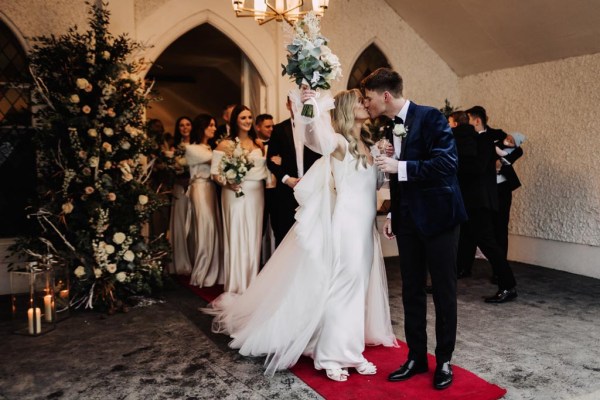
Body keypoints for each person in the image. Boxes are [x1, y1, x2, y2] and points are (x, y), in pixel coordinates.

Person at [203, 88, 397, 382]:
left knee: (356, 289)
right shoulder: (339, 142)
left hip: (364, 228)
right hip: (345, 226)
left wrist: (386, 162)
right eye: (360, 101)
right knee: (343, 288)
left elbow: (374, 182)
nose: (366, 105)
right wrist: (309, 105)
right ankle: (333, 354)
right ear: (346, 109)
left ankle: (350, 348)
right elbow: (312, 137)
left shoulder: (364, 144)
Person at [364, 67, 467, 390]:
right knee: (410, 291)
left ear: (385, 96)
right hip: (408, 221)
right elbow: (398, 180)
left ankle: (445, 359)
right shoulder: (388, 127)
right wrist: (395, 211)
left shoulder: (432, 118)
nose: (366, 105)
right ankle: (417, 357)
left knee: (444, 291)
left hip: (439, 220)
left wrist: (400, 166)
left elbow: (447, 164)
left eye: (368, 99)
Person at [211, 105, 267, 294]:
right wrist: (228, 184)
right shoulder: (225, 144)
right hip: (234, 193)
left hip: (256, 194)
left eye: (250, 117)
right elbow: (214, 174)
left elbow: (265, 170)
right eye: (243, 118)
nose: (248, 121)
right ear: (235, 120)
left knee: (253, 236)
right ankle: (236, 285)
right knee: (236, 236)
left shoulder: (258, 144)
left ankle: (252, 283)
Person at [465, 105, 518, 302]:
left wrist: (502, 163)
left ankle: (507, 284)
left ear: (476, 120)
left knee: (489, 240)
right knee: (478, 239)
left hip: (483, 199)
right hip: (477, 198)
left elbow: (479, 167)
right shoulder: (476, 140)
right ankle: (506, 283)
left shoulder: (489, 138)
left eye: (468, 120)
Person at [267, 97, 321, 245]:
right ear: (287, 105)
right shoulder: (279, 129)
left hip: (312, 189)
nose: (297, 106)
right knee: (285, 234)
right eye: (293, 103)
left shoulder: (314, 128)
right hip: (286, 190)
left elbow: (321, 157)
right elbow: (270, 161)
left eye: (300, 103)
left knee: (312, 233)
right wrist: (286, 179)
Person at [186, 114, 223, 287]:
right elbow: (217, 160)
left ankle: (213, 270)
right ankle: (201, 272)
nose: (214, 129)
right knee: (204, 228)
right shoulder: (192, 149)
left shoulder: (210, 148)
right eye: (211, 125)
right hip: (199, 188)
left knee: (213, 227)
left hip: (210, 189)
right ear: (202, 127)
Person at [494, 132, 526, 258]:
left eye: (512, 140)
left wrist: (499, 162)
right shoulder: (495, 143)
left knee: (501, 225)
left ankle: (501, 260)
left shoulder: (518, 151)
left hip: (503, 187)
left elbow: (504, 162)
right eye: (508, 137)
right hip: (489, 187)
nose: (508, 140)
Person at [169, 116, 193, 275]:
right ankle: (180, 262)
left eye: (187, 124)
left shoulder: (198, 146)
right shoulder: (174, 148)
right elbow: (171, 169)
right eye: (181, 125)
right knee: (179, 223)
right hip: (179, 187)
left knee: (193, 225)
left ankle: (195, 260)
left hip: (194, 186)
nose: (185, 128)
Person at [254, 113, 277, 265]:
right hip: (258, 191)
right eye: (267, 126)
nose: (271, 129)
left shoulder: (277, 142)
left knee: (276, 227)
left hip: (276, 191)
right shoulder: (253, 145)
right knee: (259, 228)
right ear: (258, 127)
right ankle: (258, 262)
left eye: (272, 126)